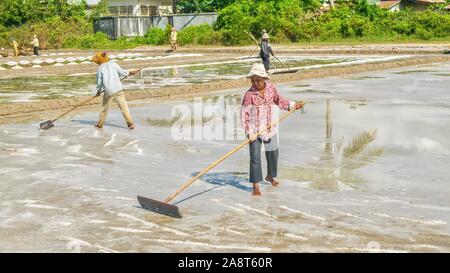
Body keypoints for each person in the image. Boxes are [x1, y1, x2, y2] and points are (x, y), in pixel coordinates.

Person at [241, 63, 303, 196]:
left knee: (273, 153)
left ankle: (270, 176)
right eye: (253, 80)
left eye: (258, 80)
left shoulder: (271, 88)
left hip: (270, 127)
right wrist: (249, 132)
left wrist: (292, 105)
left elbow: (278, 100)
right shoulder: (249, 95)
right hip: (254, 130)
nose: (255, 83)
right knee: (255, 158)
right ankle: (255, 186)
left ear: (264, 78)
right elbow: (244, 114)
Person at [92, 51, 139, 129]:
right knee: (124, 107)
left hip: (109, 91)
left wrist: (98, 91)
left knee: (104, 109)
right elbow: (122, 73)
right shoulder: (113, 64)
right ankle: (131, 124)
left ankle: (100, 125)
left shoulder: (100, 69)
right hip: (118, 89)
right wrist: (130, 72)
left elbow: (99, 83)